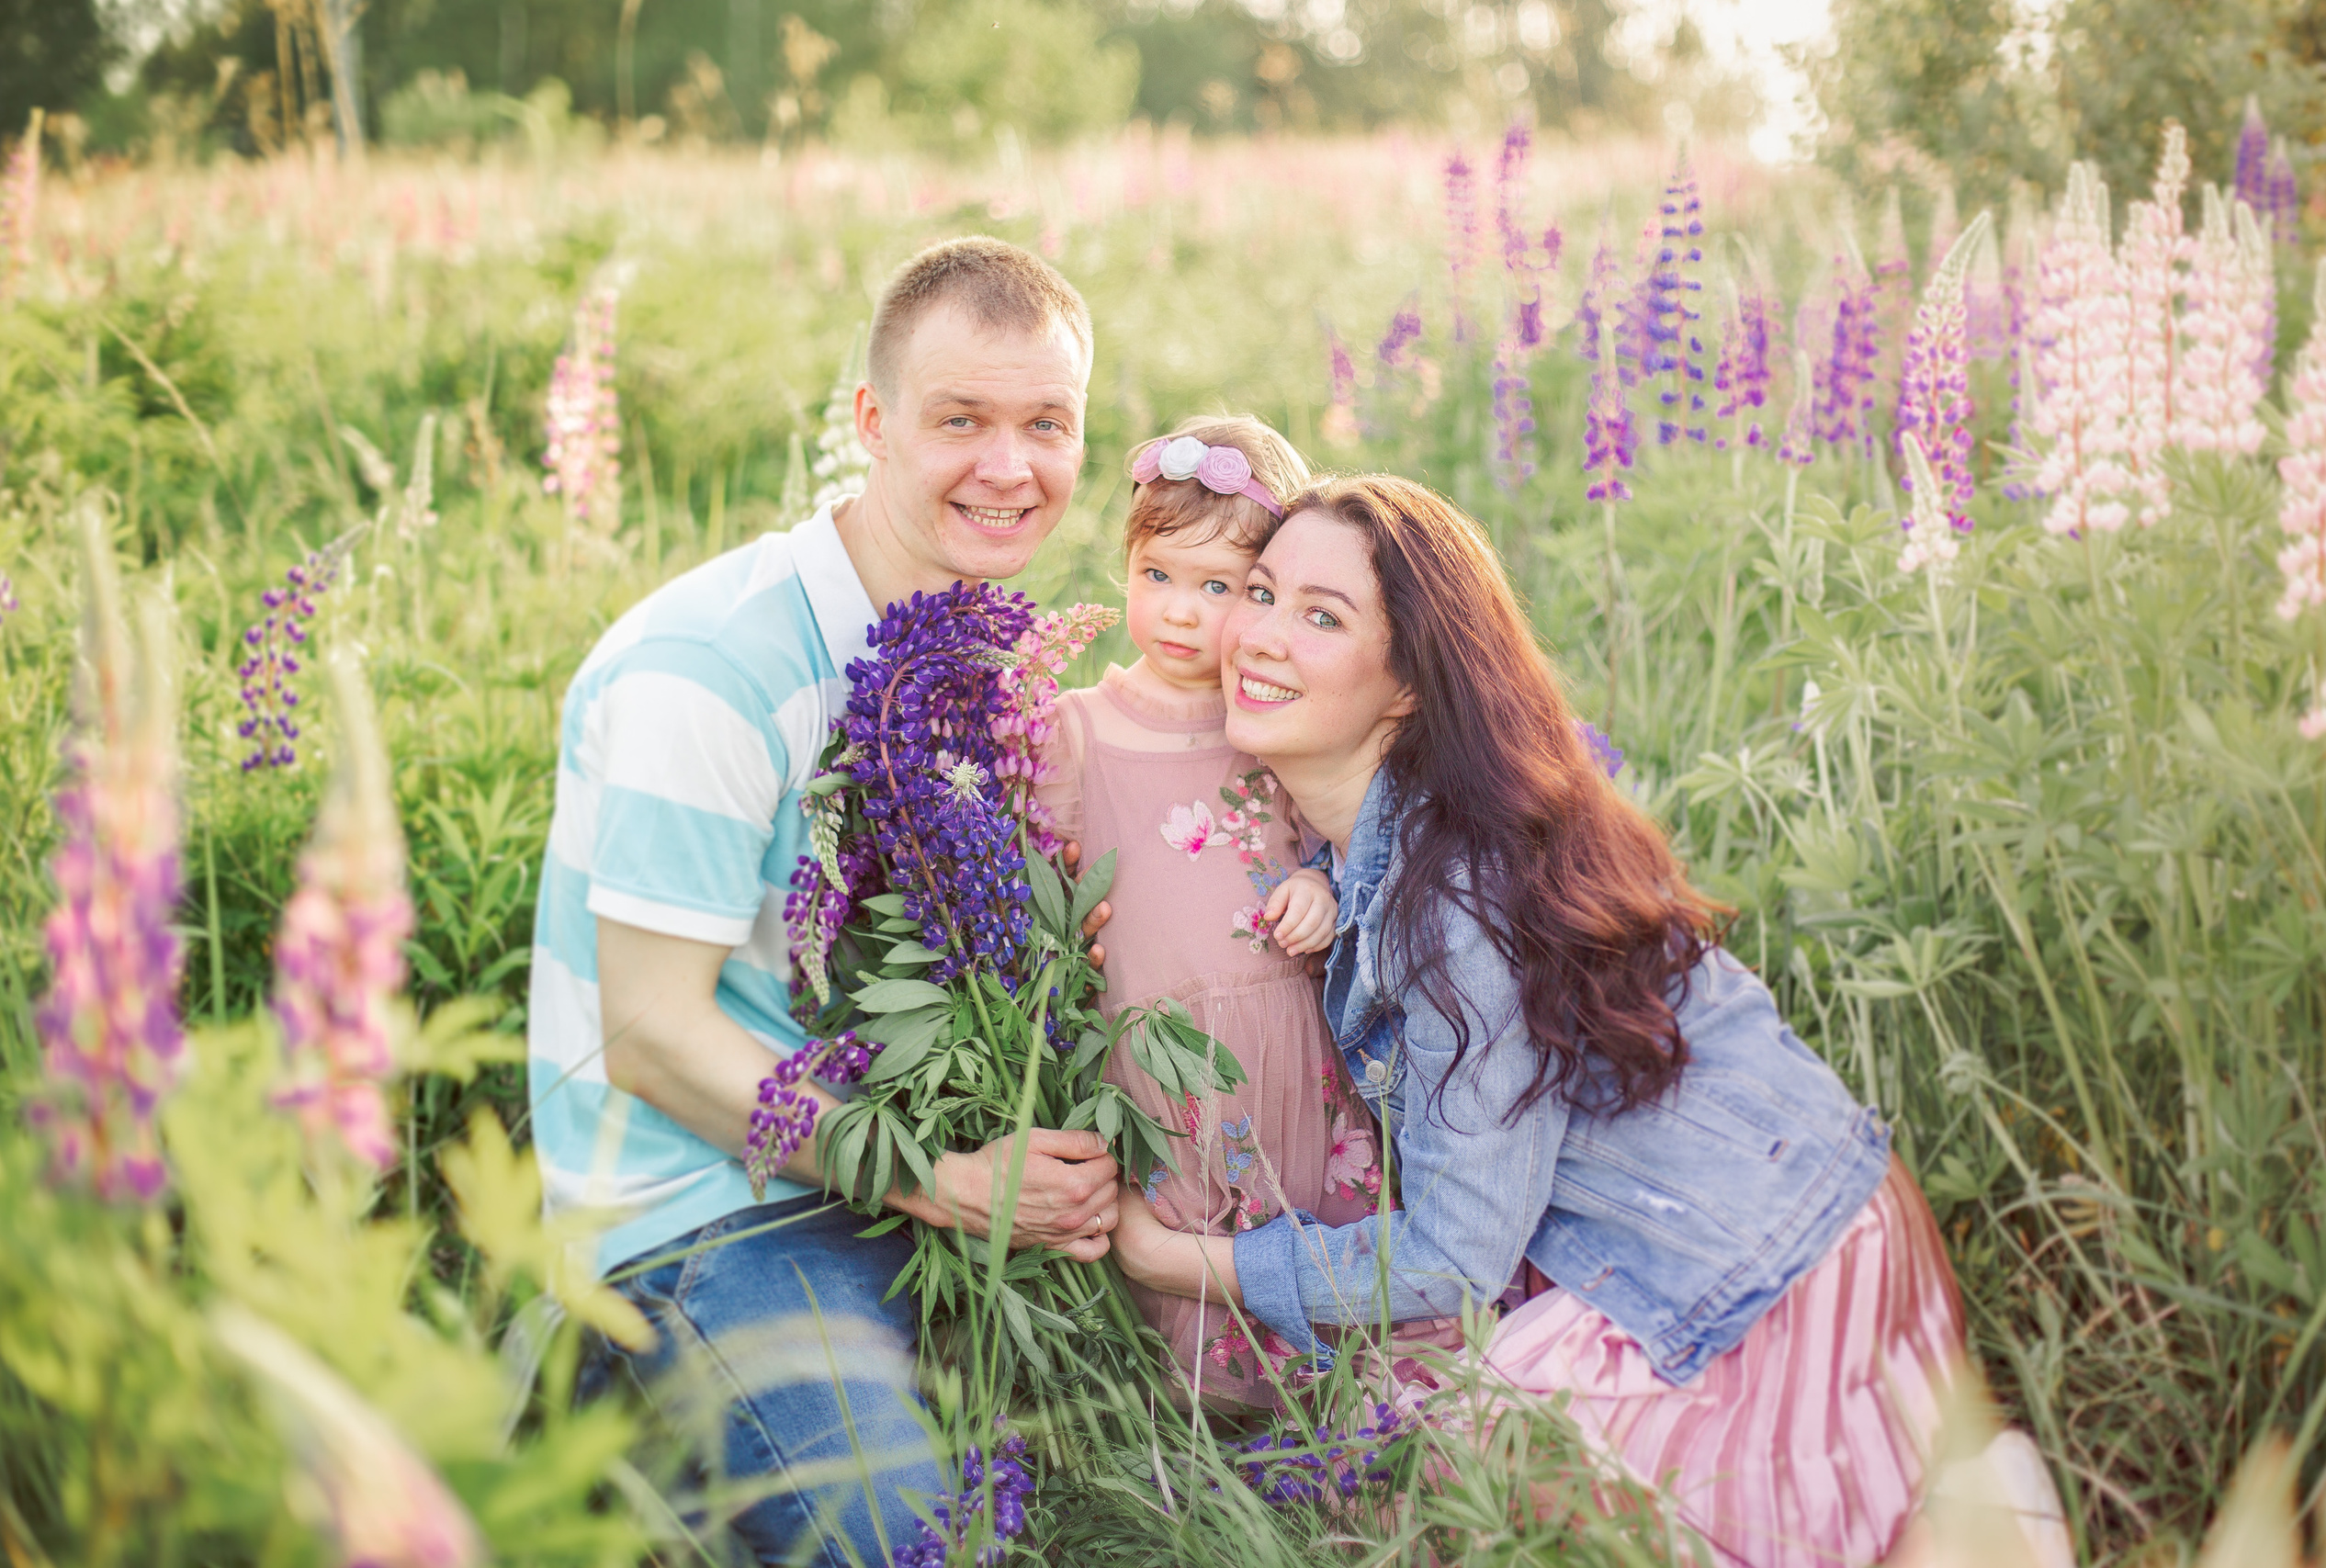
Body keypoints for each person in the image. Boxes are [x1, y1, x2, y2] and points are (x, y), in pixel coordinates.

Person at [1108, 474, 2064, 1567]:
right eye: (1262, 592)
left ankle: (1965, 1524)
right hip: (1792, 1206)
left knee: (1448, 1476)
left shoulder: (1453, 901)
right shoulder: (1393, 829)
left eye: (1321, 617)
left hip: (1764, 1268)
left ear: (1409, 685)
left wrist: (1183, 1259)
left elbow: (1455, 1259)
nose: (1259, 636)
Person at [527, 236, 1120, 1567]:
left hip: (879, 1155)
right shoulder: (714, 668)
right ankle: (610, 1405)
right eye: (959, 419)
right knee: (897, 1537)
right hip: (701, 1205)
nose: (1008, 466)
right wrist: (951, 1184)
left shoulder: (976, 645)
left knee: (1164, 1461)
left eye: (1047, 424)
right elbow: (650, 1033)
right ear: (870, 423)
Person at [1036, 414, 1383, 1407]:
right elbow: (1038, 892)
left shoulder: (1273, 718)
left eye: (1220, 589)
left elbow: (1332, 840)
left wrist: (1318, 885)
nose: (1181, 613)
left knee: (1311, 1211)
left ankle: (1340, 1411)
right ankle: (1204, 1433)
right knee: (1185, 1245)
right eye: (1157, 576)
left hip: (1292, 1046)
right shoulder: (1077, 730)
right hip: (1161, 1064)